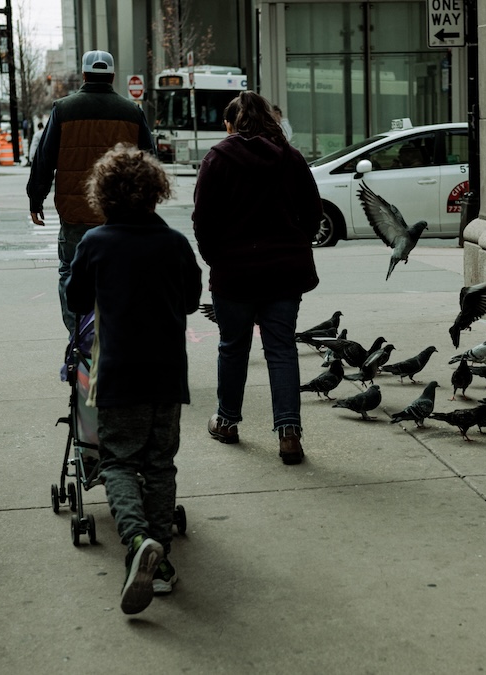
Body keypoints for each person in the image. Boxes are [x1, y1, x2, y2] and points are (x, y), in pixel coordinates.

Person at [65, 143, 201, 614]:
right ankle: (159, 564)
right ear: (155, 194)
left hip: (118, 376)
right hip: (167, 376)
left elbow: (77, 297)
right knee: (160, 464)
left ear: (103, 196)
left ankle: (138, 539)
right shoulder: (175, 243)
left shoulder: (95, 243)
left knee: (118, 462)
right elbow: (189, 300)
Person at [191, 91, 323, 465]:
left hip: (234, 272)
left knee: (233, 347)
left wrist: (215, 257)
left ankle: (227, 422)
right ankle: (289, 434)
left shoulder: (217, 158)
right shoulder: (291, 159)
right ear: (270, 121)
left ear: (232, 124)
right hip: (284, 272)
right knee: (281, 349)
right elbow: (312, 215)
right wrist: (295, 242)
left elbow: (203, 219)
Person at [27, 50, 156, 336]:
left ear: (84, 75)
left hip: (77, 212)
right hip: (121, 214)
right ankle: (116, 335)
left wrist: (36, 197)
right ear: (111, 76)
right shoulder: (132, 112)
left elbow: (44, 159)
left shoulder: (63, 109)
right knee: (121, 274)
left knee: (71, 272)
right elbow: (150, 160)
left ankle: (79, 338)